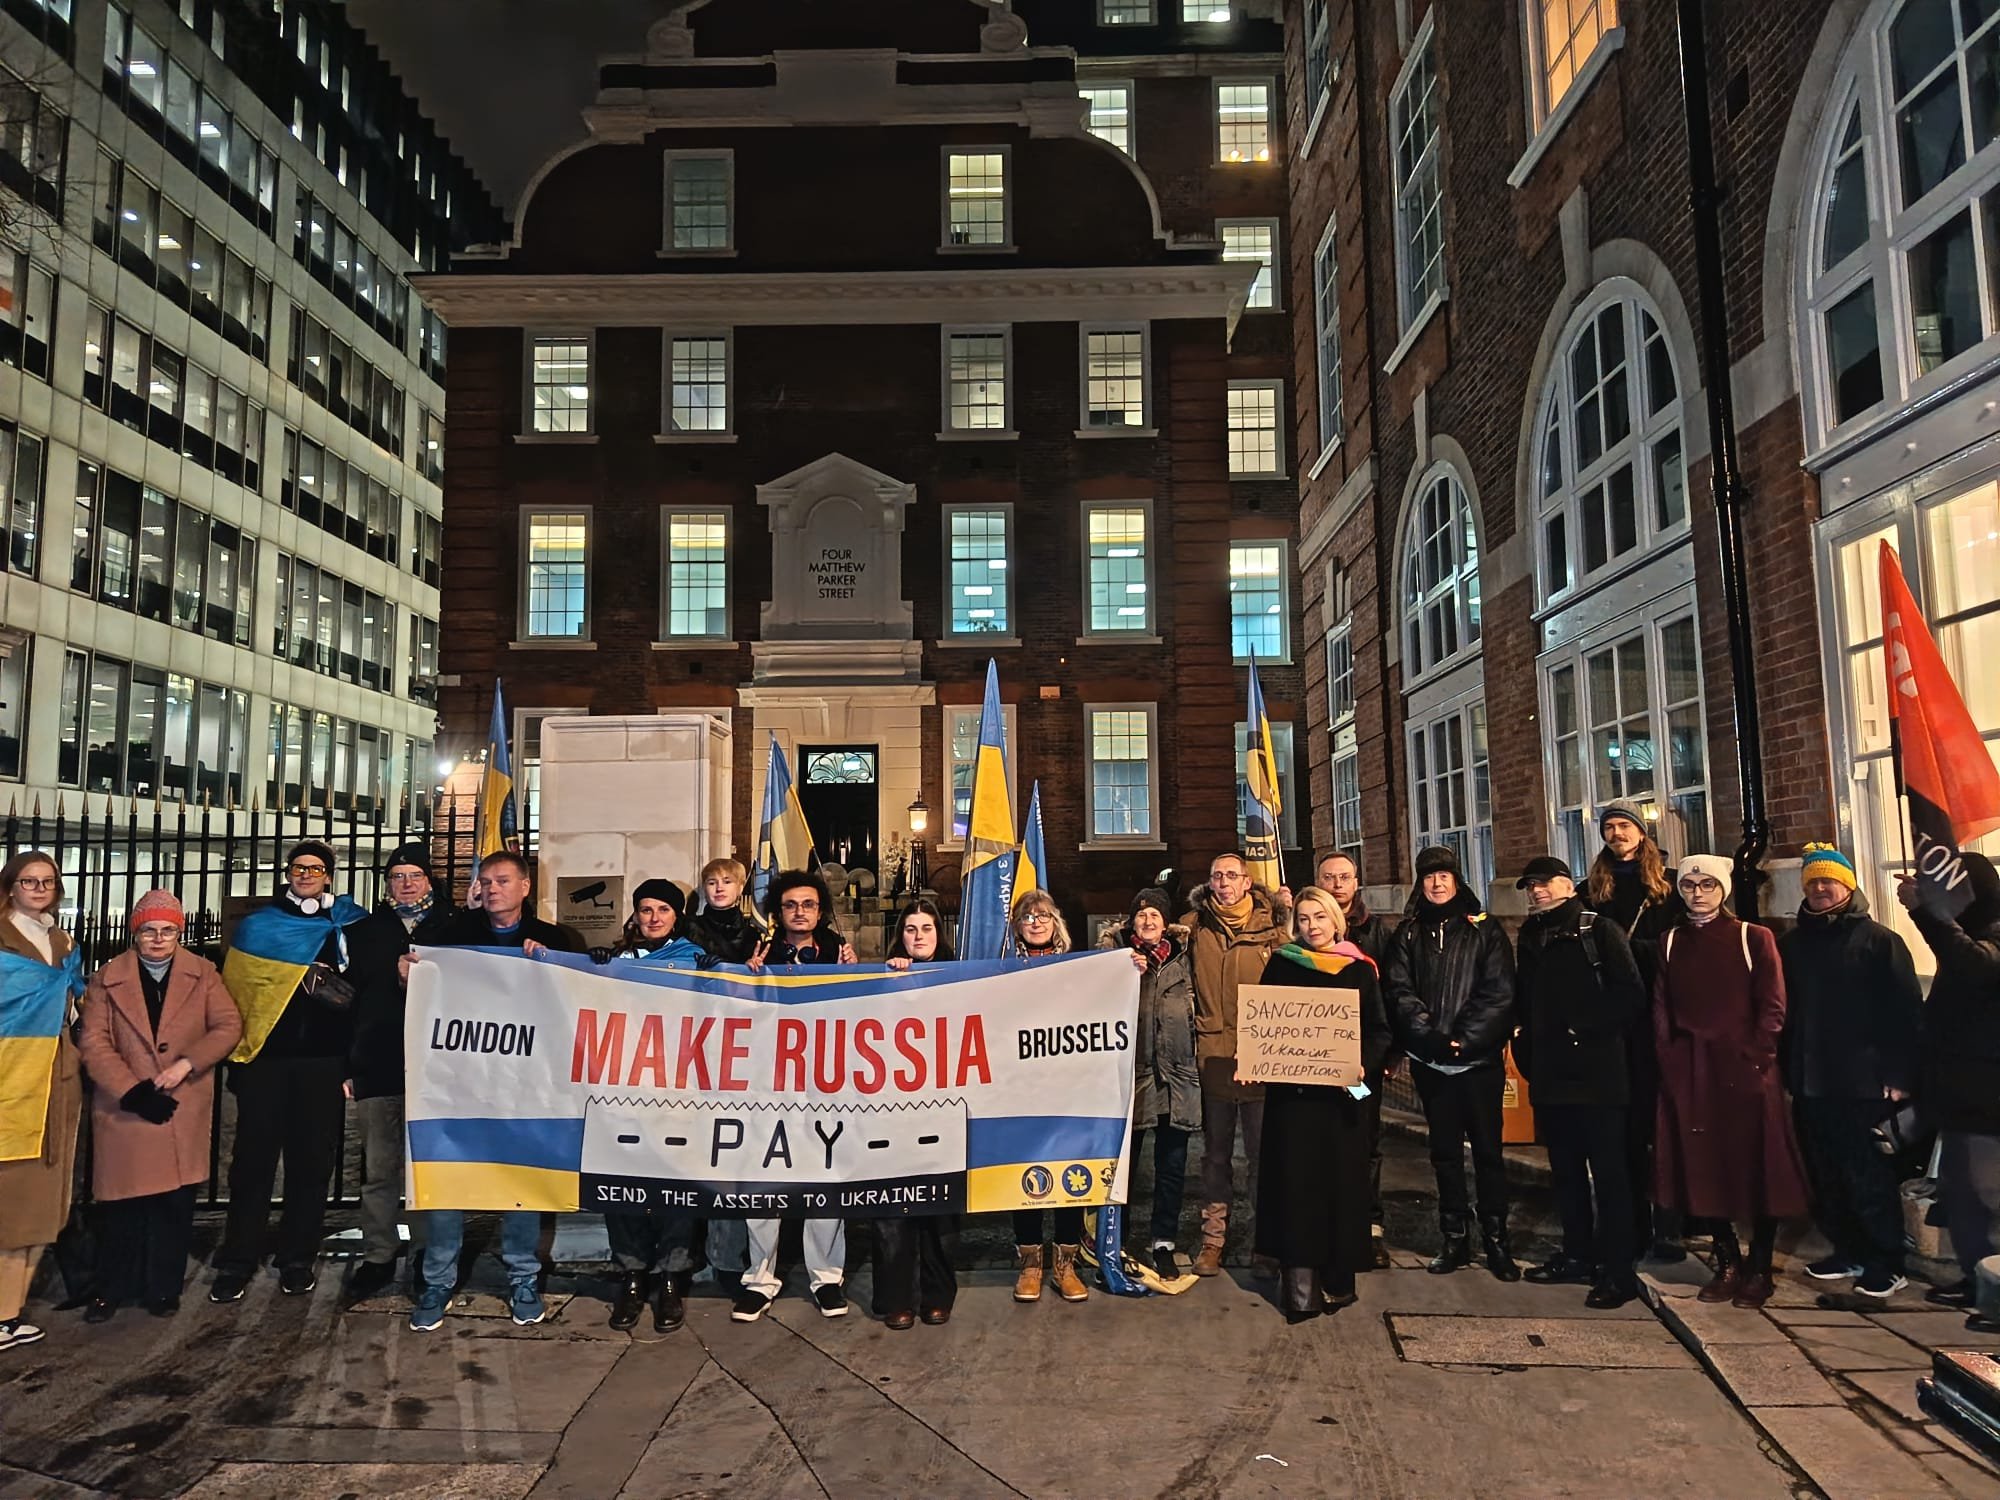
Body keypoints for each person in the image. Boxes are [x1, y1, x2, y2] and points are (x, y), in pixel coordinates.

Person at [409, 851, 586, 1332]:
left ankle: (523, 1277)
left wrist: (552, 967)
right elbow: (415, 977)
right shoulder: (449, 936)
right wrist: (408, 973)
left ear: (525, 887)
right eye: (485, 882)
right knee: (446, 1181)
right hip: (456, 1082)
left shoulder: (555, 939)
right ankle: (438, 1280)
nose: (492, 889)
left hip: (524, 1085)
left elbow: (579, 1001)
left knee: (521, 1185)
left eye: (502, 881)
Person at [211, 841, 369, 1303]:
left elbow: (363, 995)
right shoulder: (259, 926)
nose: (306, 875)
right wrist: (239, 1058)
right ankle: (239, 1257)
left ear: (329, 876)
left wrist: (350, 1063)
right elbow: (237, 994)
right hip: (266, 1060)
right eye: (299, 868)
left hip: (323, 1062)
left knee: (312, 1164)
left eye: (315, 869)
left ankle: (297, 1258)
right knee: (251, 1164)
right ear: (287, 873)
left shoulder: (349, 923)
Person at [1653, 854, 1809, 1310]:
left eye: (1706, 884)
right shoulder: (1670, 941)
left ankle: (1759, 1265)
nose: (1697, 893)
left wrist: (1758, 1056)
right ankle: (1726, 1259)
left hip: (1743, 1067)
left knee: (1757, 1165)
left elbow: (1773, 1004)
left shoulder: (1752, 937)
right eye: (1688, 885)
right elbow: (1661, 1008)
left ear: (1722, 889)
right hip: (1692, 1068)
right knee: (1704, 1165)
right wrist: (1671, 1059)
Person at [75, 891, 241, 1320]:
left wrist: (187, 1063)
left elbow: (227, 1025)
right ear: (136, 932)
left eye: (168, 930)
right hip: (125, 1105)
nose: (158, 938)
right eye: (149, 930)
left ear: (179, 932)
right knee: (121, 1206)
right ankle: (111, 1288)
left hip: (180, 1103)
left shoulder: (202, 974)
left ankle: (163, 1288)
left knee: (173, 1205)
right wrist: (130, 1089)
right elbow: (94, 1040)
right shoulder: (107, 978)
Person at [1780, 844, 1922, 1300]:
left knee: (1868, 1175)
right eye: (1813, 882)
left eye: (1829, 881)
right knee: (1826, 1173)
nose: (1821, 889)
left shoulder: (1880, 941)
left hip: (1863, 1079)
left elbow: (1905, 1013)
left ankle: (1885, 1260)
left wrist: (1901, 1074)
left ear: (1848, 884)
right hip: (1809, 1079)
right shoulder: (1793, 944)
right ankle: (1848, 1249)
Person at [1251, 887, 1393, 1322]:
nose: (1312, 926)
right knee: (1296, 1189)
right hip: (1293, 1104)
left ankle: (1337, 1282)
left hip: (1342, 1102)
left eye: (1320, 917)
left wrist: (1364, 1066)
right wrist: (1254, 1057)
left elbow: (1379, 1031)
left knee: (1340, 1189)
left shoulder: (1359, 969)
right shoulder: (1282, 963)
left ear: (1336, 921)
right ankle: (1300, 1291)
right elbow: (1264, 1026)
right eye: (1305, 919)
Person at [1512, 856, 1646, 1309]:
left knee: (1610, 1176)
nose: (1536, 892)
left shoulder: (1597, 930)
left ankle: (1618, 1270)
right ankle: (1577, 1254)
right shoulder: (1531, 934)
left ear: (1568, 885)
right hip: (1550, 1076)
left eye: (1544, 884)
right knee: (1565, 1174)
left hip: (1598, 1075)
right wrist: (1526, 1049)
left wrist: (1582, 1028)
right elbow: (1526, 999)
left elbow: (1630, 994)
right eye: (1530, 886)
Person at [1384, 845, 1518, 1280]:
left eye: (1444, 875)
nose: (1437, 883)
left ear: (1457, 880)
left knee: (1488, 1153)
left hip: (1478, 1064)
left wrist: (1464, 1039)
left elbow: (1498, 992)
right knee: (1444, 1154)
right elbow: (1399, 991)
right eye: (1429, 877)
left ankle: (1497, 1241)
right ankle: (1454, 1238)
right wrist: (1432, 1037)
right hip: (1432, 1064)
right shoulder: (1408, 934)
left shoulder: (1485, 930)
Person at [734, 869, 852, 1324]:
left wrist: (855, 977)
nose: (799, 912)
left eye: (808, 904)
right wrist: (746, 980)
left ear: (820, 910)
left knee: (825, 1182)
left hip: (825, 1083)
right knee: (763, 1181)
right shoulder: (758, 952)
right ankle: (759, 1280)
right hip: (768, 1083)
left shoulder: (838, 952)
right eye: (790, 905)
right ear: (777, 911)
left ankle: (825, 1278)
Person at [344, 843, 454, 1301]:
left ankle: (433, 1253)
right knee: (381, 1168)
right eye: (397, 876)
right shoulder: (366, 930)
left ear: (429, 880)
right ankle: (379, 1254)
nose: (406, 883)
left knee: (433, 1169)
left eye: (414, 875)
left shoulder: (454, 926)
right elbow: (351, 1000)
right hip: (379, 1060)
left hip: (439, 1068)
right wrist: (348, 1065)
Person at [1586, 799, 1688, 1263]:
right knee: (1622, 1124)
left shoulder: (1664, 889)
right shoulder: (1596, 889)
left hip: (1655, 1012)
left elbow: (1678, 949)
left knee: (1658, 1122)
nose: (1616, 834)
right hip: (1613, 1016)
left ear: (1641, 832)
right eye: (1609, 827)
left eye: (1623, 825)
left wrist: (1632, 953)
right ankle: (1626, 1223)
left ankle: (1667, 1222)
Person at [599, 879, 701, 1334]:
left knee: (677, 1185)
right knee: (622, 1184)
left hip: (680, 1087)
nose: (654, 917)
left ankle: (672, 1276)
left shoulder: (698, 959)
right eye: (646, 909)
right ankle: (633, 1275)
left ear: (677, 915)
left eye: (663, 908)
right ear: (635, 914)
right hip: (624, 1086)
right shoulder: (616, 960)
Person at [1181, 852, 1290, 1278]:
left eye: (1231, 875)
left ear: (1248, 882)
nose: (1223, 882)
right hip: (1214, 1061)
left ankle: (1267, 1242)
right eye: (1216, 875)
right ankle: (1213, 1239)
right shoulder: (1193, 928)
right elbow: (1148, 945)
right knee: (1215, 1157)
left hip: (1263, 1060)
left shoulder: (1275, 931)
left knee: (1265, 1156)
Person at [1899, 852, 2000, 1311]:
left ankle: (1993, 1288)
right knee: (1962, 1197)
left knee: (1988, 1195)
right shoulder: (1973, 933)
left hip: (1988, 1097)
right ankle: (1975, 1274)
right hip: (1960, 1092)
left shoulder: (1993, 934)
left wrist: (1924, 912)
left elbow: (1972, 966)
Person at [1094, 887, 1199, 1278]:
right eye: (1141, 915)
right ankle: (1114, 1239)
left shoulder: (1185, 958)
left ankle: (1163, 1242)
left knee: (1171, 1166)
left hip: (1177, 1077)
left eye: (1155, 915)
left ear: (1166, 922)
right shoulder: (1115, 956)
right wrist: (1121, 969)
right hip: (1130, 1079)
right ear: (1130, 921)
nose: (1148, 921)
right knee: (1124, 1166)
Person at [0, 852, 81, 1352]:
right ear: (10, 887)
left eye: (47, 882)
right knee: (16, 1196)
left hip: (58, 1074)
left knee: (46, 1198)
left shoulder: (61, 941)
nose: (38, 888)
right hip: (13, 1076)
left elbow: (71, 1001)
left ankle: (9, 1312)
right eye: (28, 881)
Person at [875, 898, 959, 1329]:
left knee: (938, 1213)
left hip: (942, 1110)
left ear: (938, 933)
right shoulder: (882, 976)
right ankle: (896, 1297)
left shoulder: (961, 974)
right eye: (911, 928)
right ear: (900, 934)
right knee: (892, 1211)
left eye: (927, 927)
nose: (919, 935)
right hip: (892, 1111)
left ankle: (937, 1294)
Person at [1007, 887, 1090, 1303]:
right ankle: (1030, 1262)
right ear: (1017, 926)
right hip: (1021, 1089)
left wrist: (1128, 968)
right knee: (1026, 1172)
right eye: (1027, 917)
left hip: (1068, 1088)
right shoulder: (1001, 971)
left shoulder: (1077, 969)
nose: (1036, 922)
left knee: (1070, 1171)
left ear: (1056, 922)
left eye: (1043, 916)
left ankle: (1066, 1262)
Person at [1317, 850, 1395, 1266]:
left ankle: (1370, 1226)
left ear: (1356, 881)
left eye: (1344, 876)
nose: (1337, 884)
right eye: (1328, 877)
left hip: (1361, 1065)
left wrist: (1383, 1056)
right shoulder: (1302, 939)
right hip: (1313, 1065)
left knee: (1364, 1141)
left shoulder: (1377, 934)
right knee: (1323, 1141)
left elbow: (1392, 999)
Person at [684, 858, 769, 965]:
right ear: (705, 889)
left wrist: (748, 967)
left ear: (740, 888)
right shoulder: (688, 927)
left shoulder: (751, 935)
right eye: (712, 883)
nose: (719, 888)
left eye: (727, 882)